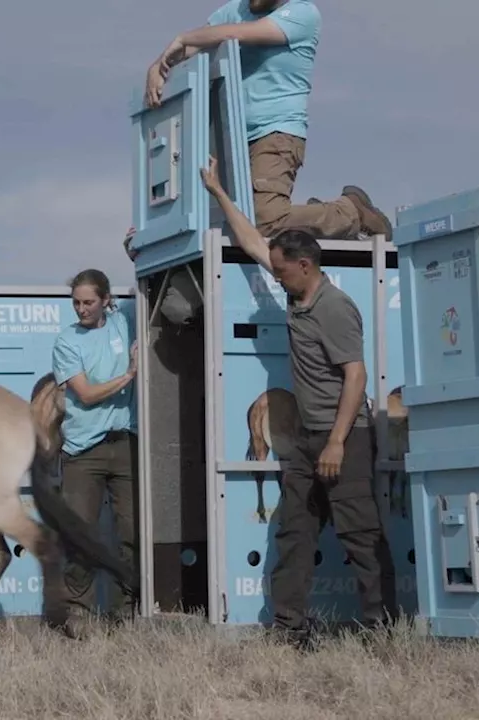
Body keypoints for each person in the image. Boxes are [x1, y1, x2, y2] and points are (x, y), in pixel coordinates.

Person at [199, 156, 397, 650]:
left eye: (283, 271)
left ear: (305, 266)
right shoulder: (297, 293)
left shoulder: (334, 308)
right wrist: (218, 191)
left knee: (359, 535)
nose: (278, 277)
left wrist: (335, 441)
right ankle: (290, 629)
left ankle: (383, 631)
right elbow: (252, 242)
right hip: (308, 440)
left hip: (344, 439)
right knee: (294, 533)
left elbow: (356, 375)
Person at [142, 0, 393, 243]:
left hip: (277, 132)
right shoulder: (236, 9)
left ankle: (351, 213)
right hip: (232, 137)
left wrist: (184, 38)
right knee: (231, 222)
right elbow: (196, 45)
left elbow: (235, 35)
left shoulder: (302, 13)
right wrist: (159, 65)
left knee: (264, 220)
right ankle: (316, 215)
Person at [49, 268, 140, 635]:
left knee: (130, 532)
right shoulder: (67, 341)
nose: (81, 310)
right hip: (83, 451)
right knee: (80, 533)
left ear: (106, 300)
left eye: (88, 302)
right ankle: (76, 614)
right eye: (76, 303)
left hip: (126, 445)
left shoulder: (124, 323)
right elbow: (85, 394)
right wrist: (129, 376)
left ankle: (125, 613)